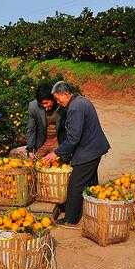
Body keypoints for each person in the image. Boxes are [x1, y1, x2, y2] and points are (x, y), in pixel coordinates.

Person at [43, 81, 110, 226]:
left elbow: (74, 138)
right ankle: (94, 212)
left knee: (75, 185)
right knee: (91, 184)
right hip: (94, 148)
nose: (57, 102)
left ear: (65, 94)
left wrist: (56, 153)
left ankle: (70, 219)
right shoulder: (79, 101)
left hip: (89, 151)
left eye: (57, 98)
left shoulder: (75, 108)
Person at [9, 82, 66, 159]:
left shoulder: (62, 104)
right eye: (42, 104)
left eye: (46, 103)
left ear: (53, 98)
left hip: (59, 142)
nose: (45, 107)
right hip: (43, 143)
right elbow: (31, 129)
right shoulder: (33, 107)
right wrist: (30, 148)